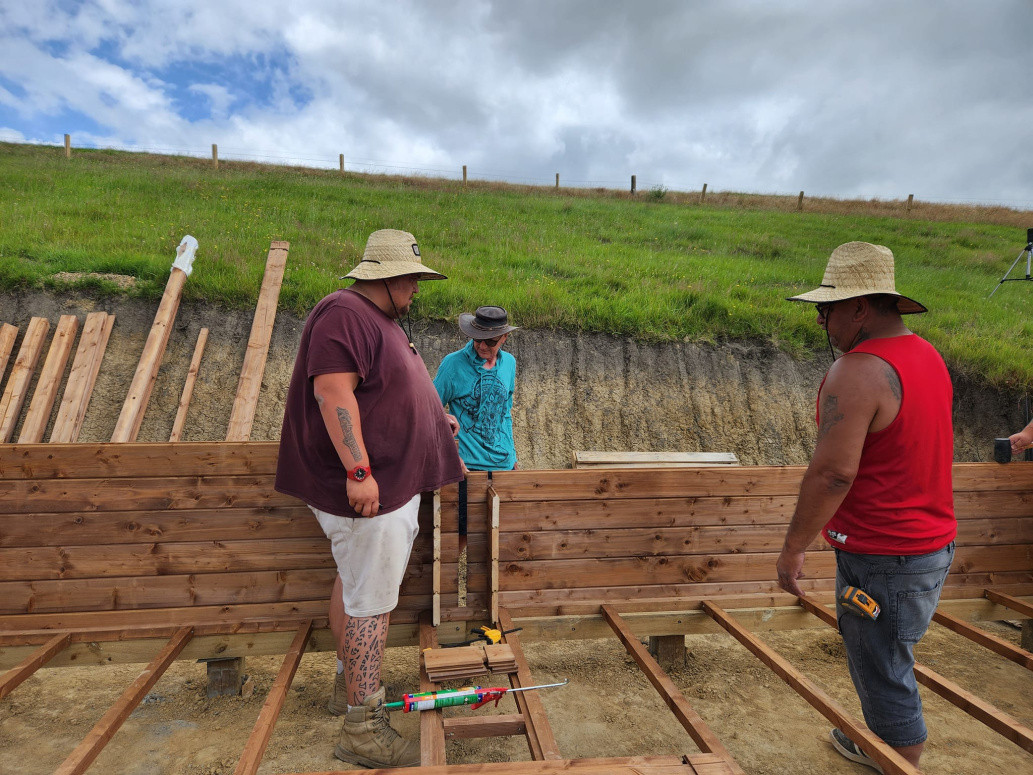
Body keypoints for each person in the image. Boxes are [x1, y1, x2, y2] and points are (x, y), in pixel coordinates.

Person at [275, 228, 464, 768]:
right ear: (390, 276)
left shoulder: (374, 321)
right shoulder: (345, 313)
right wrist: (359, 470)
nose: (417, 290)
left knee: (355, 585)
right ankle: (363, 726)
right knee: (371, 606)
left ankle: (346, 686)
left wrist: (434, 416)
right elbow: (333, 392)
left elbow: (385, 390)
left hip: (385, 484)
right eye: (413, 280)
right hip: (370, 490)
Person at [775, 242, 956, 772]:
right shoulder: (927, 357)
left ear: (859, 307)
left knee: (882, 666)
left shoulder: (859, 371)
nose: (822, 323)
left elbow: (833, 473)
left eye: (825, 310)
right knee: (890, 654)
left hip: (883, 555)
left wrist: (792, 550)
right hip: (927, 547)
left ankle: (899, 754)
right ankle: (880, 738)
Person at [434, 306, 519, 471]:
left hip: (505, 465)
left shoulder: (509, 363)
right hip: (467, 467)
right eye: (477, 338)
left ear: (504, 337)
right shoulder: (452, 365)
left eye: (490, 341)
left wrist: (513, 455)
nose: (482, 346)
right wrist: (450, 455)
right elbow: (430, 411)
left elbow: (505, 414)